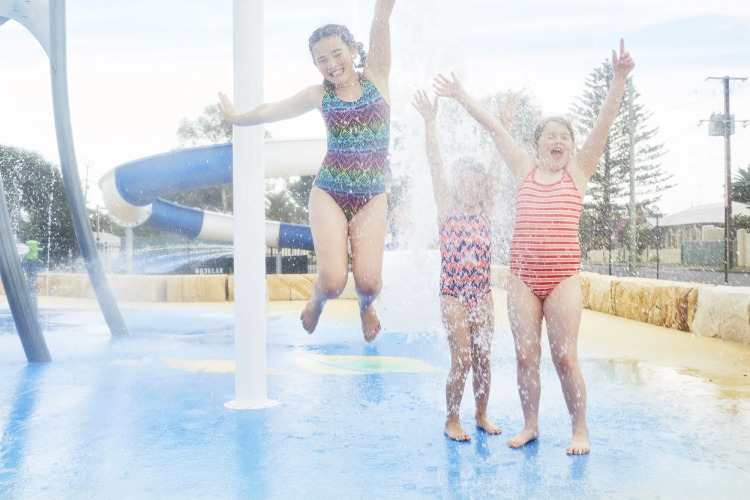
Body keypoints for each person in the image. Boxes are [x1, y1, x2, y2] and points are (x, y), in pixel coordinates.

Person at [434, 39, 635, 454]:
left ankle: (580, 429)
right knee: (526, 356)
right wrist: (460, 95)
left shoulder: (577, 174)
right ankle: (531, 425)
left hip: (562, 279)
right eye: (550, 136)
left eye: (565, 137)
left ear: (571, 147)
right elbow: (495, 128)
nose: (558, 141)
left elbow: (603, 126)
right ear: (537, 144)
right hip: (523, 279)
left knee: (565, 358)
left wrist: (618, 79)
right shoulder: (524, 169)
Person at [218, 0, 397, 341]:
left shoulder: (377, 77)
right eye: (321, 59)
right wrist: (237, 118)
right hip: (329, 192)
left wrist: (383, 8)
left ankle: (365, 306)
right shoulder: (318, 95)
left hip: (372, 196)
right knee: (332, 282)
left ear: (353, 50)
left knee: (369, 282)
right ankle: (318, 299)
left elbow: (382, 18)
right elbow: (273, 110)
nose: (331, 64)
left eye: (337, 53)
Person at [412, 89, 502, 441]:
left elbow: (496, 166)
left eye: (478, 183)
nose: (472, 188)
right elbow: (435, 163)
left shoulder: (486, 210)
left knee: (483, 359)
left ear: (483, 188)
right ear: (456, 185)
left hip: (482, 294)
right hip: (452, 293)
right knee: (462, 359)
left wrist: (503, 126)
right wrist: (429, 122)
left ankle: (481, 414)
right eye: (465, 181)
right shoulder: (446, 209)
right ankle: (452, 419)